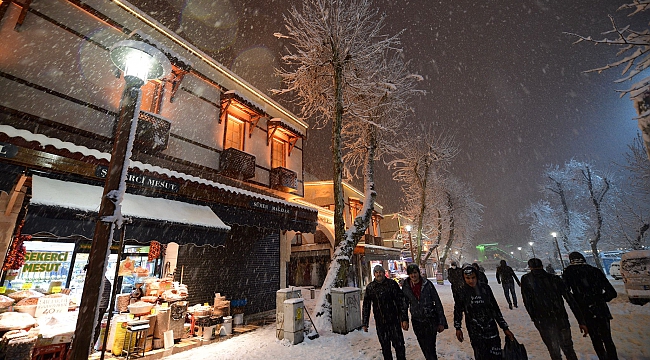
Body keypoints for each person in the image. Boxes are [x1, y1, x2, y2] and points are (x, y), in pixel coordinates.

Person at [521, 258, 588, 360]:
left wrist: (534, 318)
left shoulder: (526, 280)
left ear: (530, 267)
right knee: (568, 349)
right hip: (560, 317)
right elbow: (570, 300)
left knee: (554, 351)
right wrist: (581, 320)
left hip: (543, 319)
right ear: (542, 266)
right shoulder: (554, 279)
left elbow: (527, 302)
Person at [563, 252, 619, 360]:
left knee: (596, 339)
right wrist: (600, 299)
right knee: (608, 339)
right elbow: (612, 293)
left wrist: (580, 301)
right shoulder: (595, 271)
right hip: (601, 310)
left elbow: (567, 294)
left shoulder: (569, 273)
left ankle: (602, 357)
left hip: (585, 311)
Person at [454, 266, 514, 360]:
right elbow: (458, 310)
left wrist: (505, 327)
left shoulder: (485, 288)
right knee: (481, 356)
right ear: (464, 278)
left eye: (473, 277)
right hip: (475, 330)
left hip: (491, 327)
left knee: (496, 355)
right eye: (468, 278)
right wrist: (458, 327)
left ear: (477, 276)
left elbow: (495, 308)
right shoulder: (461, 292)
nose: (471, 281)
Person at [402, 264, 448, 360]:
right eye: (411, 274)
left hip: (430, 319)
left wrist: (441, 322)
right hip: (417, 321)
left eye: (415, 273)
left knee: (430, 347)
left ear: (418, 273)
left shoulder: (427, 284)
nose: (413, 276)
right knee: (424, 346)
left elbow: (437, 302)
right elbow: (404, 304)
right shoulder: (406, 287)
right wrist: (404, 319)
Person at [362, 264, 408, 360]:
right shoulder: (371, 287)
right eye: (377, 272)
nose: (379, 274)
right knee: (385, 348)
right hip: (381, 323)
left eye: (380, 272)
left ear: (384, 273)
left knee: (399, 346)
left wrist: (404, 318)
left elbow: (401, 301)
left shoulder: (391, 284)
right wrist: (365, 322)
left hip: (394, 321)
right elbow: (366, 305)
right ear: (374, 274)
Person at [84, 264, 112, 351]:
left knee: (95, 327)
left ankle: (91, 346)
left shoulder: (102, 281)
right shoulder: (103, 280)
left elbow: (96, 296)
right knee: (95, 326)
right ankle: (91, 345)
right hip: (101, 307)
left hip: (99, 307)